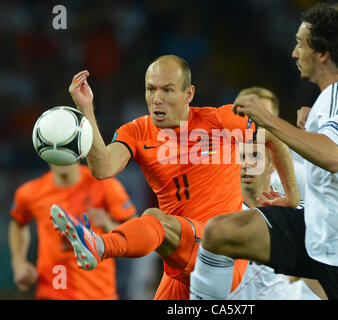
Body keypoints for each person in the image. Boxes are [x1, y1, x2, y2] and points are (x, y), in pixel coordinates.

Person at [189, 2, 338, 300]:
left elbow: (333, 157)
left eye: (300, 44)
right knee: (220, 232)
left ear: (323, 53)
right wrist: (328, 125)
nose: (294, 53)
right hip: (315, 229)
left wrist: (269, 120)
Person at [51, 55, 300, 300]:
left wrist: (292, 196)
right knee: (160, 223)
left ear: (188, 94)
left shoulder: (220, 121)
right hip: (178, 255)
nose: (157, 99)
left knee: (154, 217)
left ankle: (101, 246)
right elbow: (102, 168)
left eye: (168, 90)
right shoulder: (137, 131)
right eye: (151, 89)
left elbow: (274, 136)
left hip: (221, 251)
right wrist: (86, 108)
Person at [226, 87, 320, 300]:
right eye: (248, 116)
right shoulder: (219, 200)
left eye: (263, 116)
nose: (256, 123)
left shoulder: (300, 173)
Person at [9, 163, 136, 300]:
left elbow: (135, 233)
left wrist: (108, 224)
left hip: (99, 292)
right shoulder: (31, 192)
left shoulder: (103, 184)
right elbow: (18, 223)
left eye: (66, 146)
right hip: (52, 291)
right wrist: (18, 262)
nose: (61, 153)